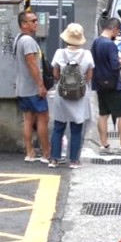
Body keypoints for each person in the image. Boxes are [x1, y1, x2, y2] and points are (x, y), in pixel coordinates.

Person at [50, 23, 94, 169]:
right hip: (80, 96)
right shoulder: (86, 55)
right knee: (76, 129)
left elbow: (55, 74)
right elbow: (89, 76)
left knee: (58, 127)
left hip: (62, 94)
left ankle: (54, 159)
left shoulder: (59, 53)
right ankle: (74, 160)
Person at [15, 11, 52, 162]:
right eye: (33, 21)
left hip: (22, 87)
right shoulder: (28, 42)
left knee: (28, 119)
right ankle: (46, 153)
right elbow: (32, 65)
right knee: (43, 118)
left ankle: (30, 152)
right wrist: (41, 86)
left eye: (36, 20)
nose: (36, 23)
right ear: (24, 24)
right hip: (32, 88)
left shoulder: (18, 39)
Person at [91, 18, 121, 153]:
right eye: (118, 31)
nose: (118, 34)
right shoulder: (110, 45)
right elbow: (114, 65)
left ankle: (104, 144)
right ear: (114, 29)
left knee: (103, 114)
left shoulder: (96, 42)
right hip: (114, 84)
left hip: (99, 83)